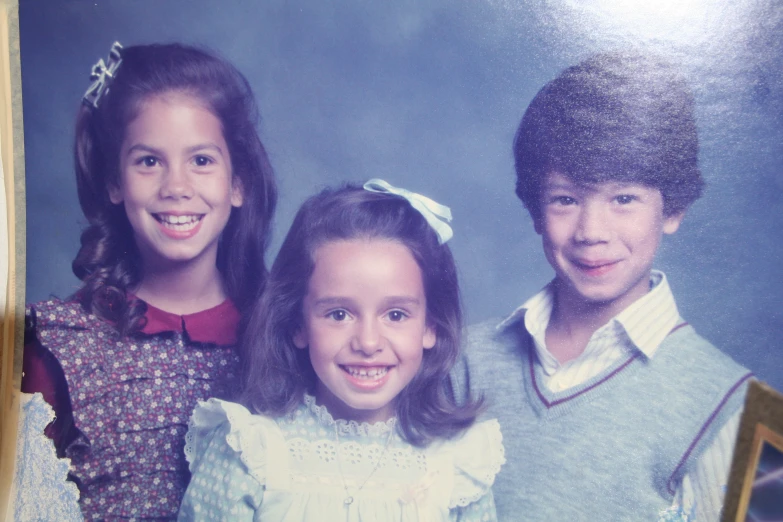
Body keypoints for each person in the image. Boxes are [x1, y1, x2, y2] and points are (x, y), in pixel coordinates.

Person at [459, 52, 752, 521]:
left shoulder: (742, 409)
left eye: (623, 198)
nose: (591, 230)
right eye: (565, 199)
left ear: (672, 209)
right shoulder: (463, 359)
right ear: (536, 211)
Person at [21, 41, 277, 520]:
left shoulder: (283, 336)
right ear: (115, 182)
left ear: (237, 182)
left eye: (201, 160)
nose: (176, 186)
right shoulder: (62, 348)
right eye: (148, 161)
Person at [178, 181, 505, 521]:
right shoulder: (250, 448)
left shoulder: (458, 461)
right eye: (339, 314)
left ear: (431, 326)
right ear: (297, 324)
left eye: (395, 315)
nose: (367, 342)